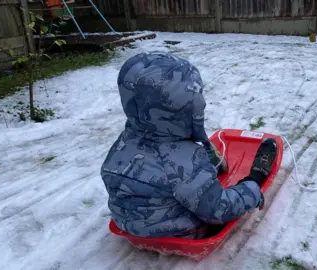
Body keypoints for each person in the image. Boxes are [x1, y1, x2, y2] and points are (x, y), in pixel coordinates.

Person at [101, 51, 278, 239]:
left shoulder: (124, 141)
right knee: (238, 188)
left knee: (172, 182)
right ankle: (255, 176)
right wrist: (250, 189)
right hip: (178, 232)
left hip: (127, 224)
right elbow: (218, 210)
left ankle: (210, 171)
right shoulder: (185, 160)